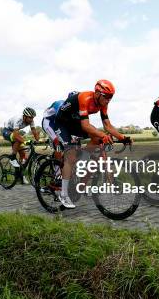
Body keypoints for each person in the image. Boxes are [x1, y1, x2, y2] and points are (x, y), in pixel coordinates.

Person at [54, 80, 131, 208]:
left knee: (96, 138)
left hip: (74, 122)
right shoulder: (85, 98)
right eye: (106, 96)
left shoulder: (103, 103)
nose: (109, 100)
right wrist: (103, 135)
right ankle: (63, 194)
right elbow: (85, 126)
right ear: (97, 93)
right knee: (71, 156)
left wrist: (123, 138)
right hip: (62, 123)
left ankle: (82, 162)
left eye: (111, 97)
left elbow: (107, 125)